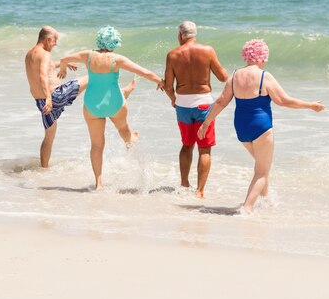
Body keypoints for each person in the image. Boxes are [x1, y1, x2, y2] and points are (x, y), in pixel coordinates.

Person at [197, 39, 325, 213]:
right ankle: (247, 208)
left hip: (242, 129)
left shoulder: (235, 76)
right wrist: (310, 105)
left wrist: (206, 123)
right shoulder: (265, 76)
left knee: (262, 167)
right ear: (261, 57)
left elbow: (220, 102)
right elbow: (284, 101)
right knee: (262, 171)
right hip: (261, 127)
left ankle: (266, 202)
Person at [58, 26, 163, 190]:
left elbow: (64, 58)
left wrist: (64, 68)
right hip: (115, 104)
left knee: (97, 146)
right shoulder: (117, 59)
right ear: (114, 43)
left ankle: (99, 184)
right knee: (123, 130)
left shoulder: (88, 56)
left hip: (92, 105)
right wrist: (160, 82)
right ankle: (129, 140)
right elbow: (144, 73)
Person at [163, 21, 228, 198]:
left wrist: (173, 100)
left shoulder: (173, 55)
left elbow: (168, 86)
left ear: (179, 35)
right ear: (195, 35)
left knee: (187, 144)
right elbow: (223, 77)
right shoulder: (207, 51)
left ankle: (184, 184)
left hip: (183, 105)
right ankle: (200, 191)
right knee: (205, 148)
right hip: (204, 105)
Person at [25, 26, 85, 168]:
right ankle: (118, 92)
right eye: (55, 41)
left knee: (49, 137)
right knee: (91, 78)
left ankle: (43, 170)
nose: (56, 44)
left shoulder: (30, 54)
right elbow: (42, 75)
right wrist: (49, 98)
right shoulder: (45, 54)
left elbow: (48, 67)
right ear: (48, 40)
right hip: (53, 97)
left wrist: (64, 63)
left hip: (41, 103)